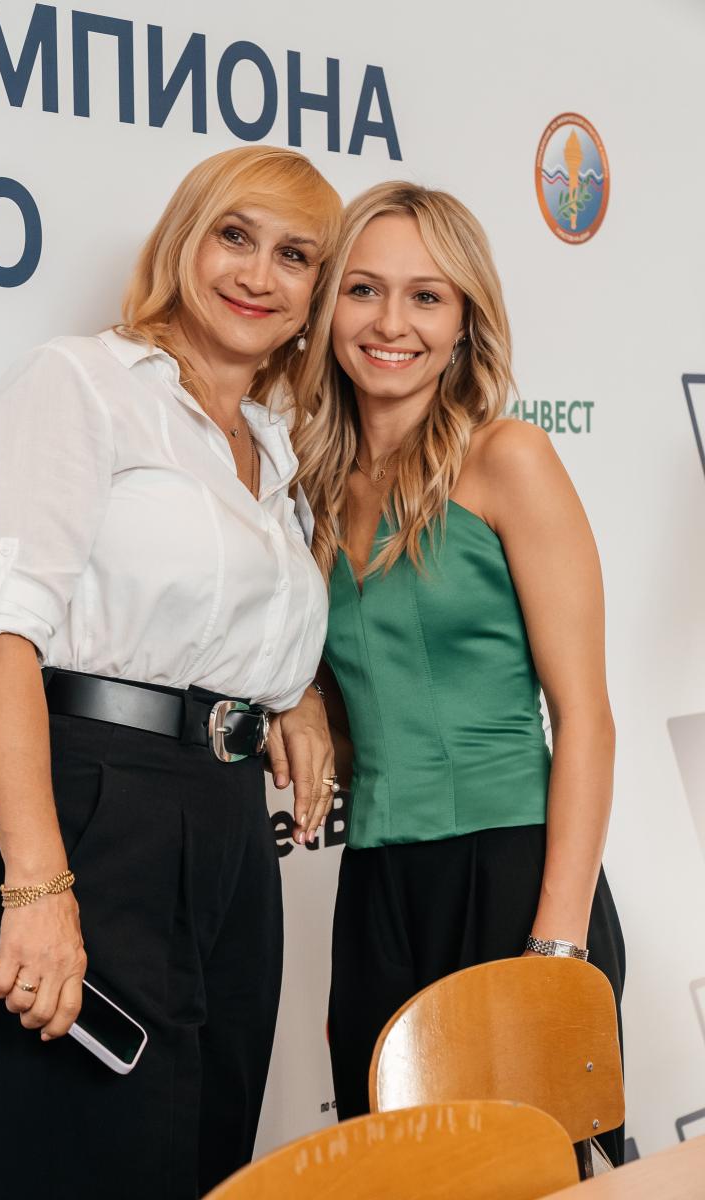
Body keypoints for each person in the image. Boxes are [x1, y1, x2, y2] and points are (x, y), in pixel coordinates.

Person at [0, 145, 342, 1200]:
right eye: (234, 236)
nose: (258, 274)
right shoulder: (81, 383)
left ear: (315, 291)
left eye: (294, 255)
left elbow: (226, 616)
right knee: (85, 1154)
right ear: (182, 242)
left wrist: (295, 692)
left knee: (205, 1157)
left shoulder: (273, 446)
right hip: (97, 806)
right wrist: (38, 884)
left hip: (229, 823)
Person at [294, 182, 626, 1166]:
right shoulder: (308, 487)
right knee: (398, 1174)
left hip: (515, 875)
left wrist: (556, 948)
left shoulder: (506, 458)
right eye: (362, 290)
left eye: (426, 296)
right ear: (328, 308)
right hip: (375, 885)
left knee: (536, 1175)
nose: (389, 323)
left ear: (464, 323)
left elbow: (585, 716)